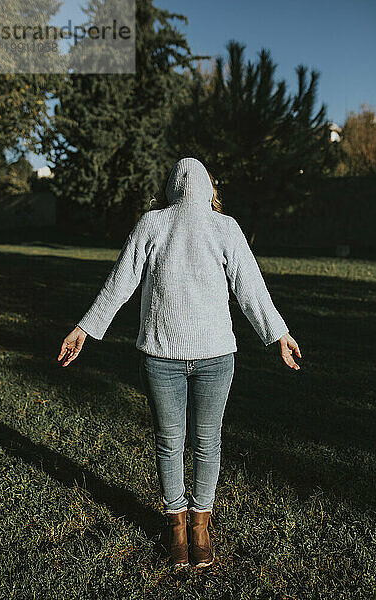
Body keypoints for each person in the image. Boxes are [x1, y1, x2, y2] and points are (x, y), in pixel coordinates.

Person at [57, 157, 302, 570]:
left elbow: (250, 286)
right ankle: (176, 524)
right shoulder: (152, 224)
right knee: (177, 441)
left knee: (200, 441)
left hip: (215, 358)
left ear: (172, 185)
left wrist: (277, 331)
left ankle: (200, 524)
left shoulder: (225, 229)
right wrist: (86, 325)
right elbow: (122, 282)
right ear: (209, 187)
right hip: (161, 357)